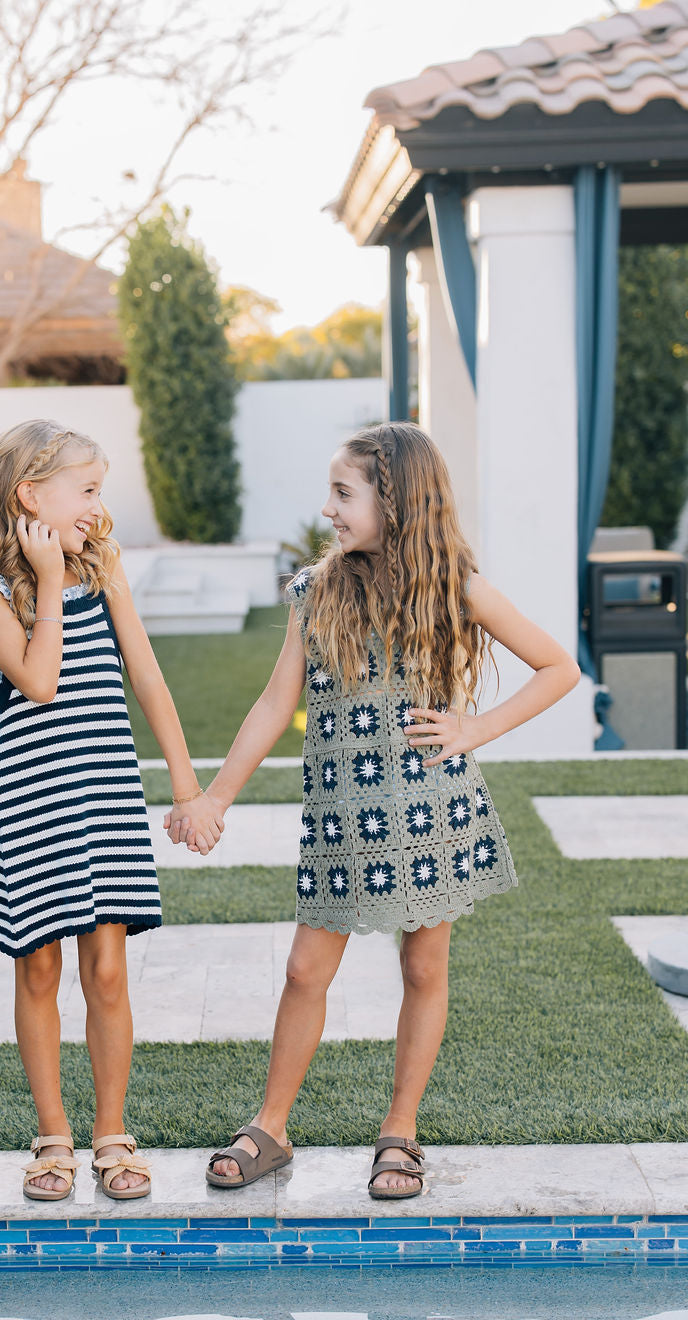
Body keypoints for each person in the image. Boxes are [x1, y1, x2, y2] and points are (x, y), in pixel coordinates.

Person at [168, 421, 580, 1199]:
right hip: (341, 822)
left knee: (423, 967)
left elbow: (558, 666)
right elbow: (274, 703)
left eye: (343, 493)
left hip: (429, 815)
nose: (328, 509)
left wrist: (474, 729)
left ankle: (400, 1129)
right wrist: (217, 795)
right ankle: (272, 1127)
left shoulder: (454, 587)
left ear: (394, 503)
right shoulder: (314, 592)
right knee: (304, 970)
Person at [0, 419, 221, 1202]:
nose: (100, 508)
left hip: (105, 792)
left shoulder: (102, 564)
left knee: (106, 970)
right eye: (89, 489)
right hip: (32, 801)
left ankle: (111, 1132)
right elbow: (39, 682)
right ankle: (53, 1135)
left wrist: (186, 788)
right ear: (30, 495)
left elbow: (148, 674)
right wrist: (46, 577)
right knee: (39, 967)